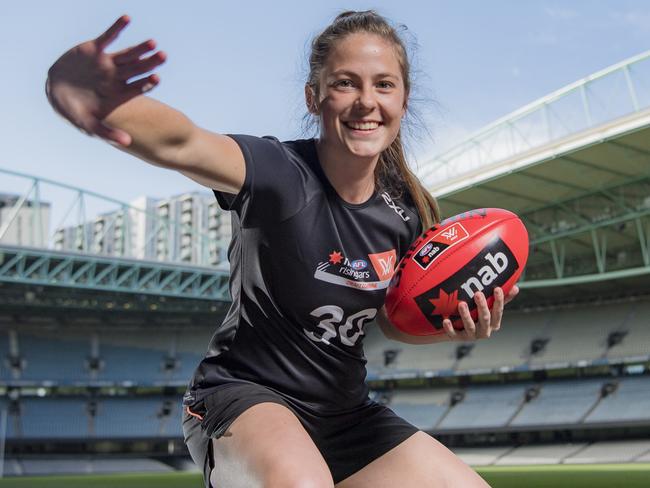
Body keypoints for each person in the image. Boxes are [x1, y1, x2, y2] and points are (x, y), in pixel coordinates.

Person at [46, 10, 519, 487]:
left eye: (383, 85)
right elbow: (182, 141)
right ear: (314, 97)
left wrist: (451, 328)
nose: (366, 102)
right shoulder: (278, 172)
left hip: (344, 417)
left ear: (404, 99)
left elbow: (391, 322)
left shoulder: (406, 212)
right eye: (346, 83)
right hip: (244, 398)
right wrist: (81, 93)